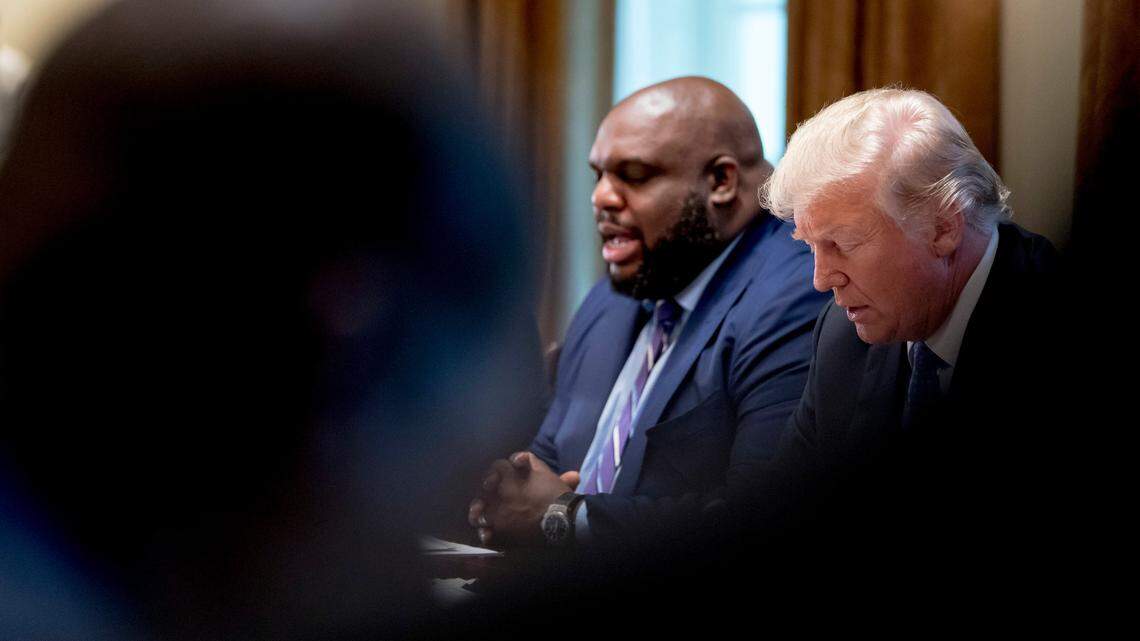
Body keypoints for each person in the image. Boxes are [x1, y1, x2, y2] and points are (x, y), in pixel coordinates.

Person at [468, 77, 828, 551]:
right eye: (598, 175)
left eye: (633, 175)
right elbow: (544, 464)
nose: (601, 197)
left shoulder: (798, 295)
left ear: (721, 181)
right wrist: (506, 496)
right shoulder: (617, 294)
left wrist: (565, 517)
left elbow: (760, 517)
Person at [756, 88, 1079, 568]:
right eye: (811, 246)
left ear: (943, 227)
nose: (822, 280)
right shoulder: (845, 334)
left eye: (842, 243)